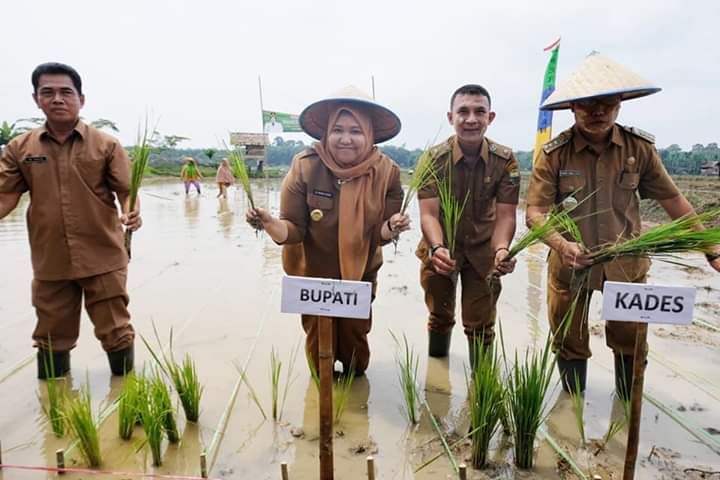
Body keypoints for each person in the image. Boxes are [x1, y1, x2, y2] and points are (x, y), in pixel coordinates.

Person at [526, 52, 720, 398]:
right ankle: (573, 414)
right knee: (569, 340)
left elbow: (673, 201)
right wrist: (562, 246)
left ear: (621, 102)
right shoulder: (555, 154)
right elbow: (535, 212)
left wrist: (709, 246)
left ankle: (626, 411)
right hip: (571, 266)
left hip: (626, 266)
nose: (598, 111)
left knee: (630, 341)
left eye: (607, 102)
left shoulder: (639, 148)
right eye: (587, 104)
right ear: (573, 107)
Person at [246, 86, 410, 376]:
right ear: (326, 133)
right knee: (319, 358)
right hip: (312, 276)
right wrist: (270, 223)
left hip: (359, 275)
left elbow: (378, 236)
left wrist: (391, 227)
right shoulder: (305, 166)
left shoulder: (387, 172)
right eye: (338, 130)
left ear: (370, 134)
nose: (346, 139)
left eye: (356, 131)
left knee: (356, 356)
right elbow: (293, 228)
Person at [0, 62, 142, 378]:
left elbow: (126, 191)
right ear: (36, 99)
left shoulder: (106, 145)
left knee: (116, 329)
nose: (58, 99)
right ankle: (54, 403)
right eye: (47, 92)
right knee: (50, 336)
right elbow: (5, 196)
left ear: (81, 99)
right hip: (51, 260)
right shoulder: (20, 148)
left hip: (102, 255)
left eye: (66, 92)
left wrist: (131, 213)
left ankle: (125, 392)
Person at [417, 84, 520, 364]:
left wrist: (501, 250)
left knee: (481, 325)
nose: (471, 119)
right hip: (442, 248)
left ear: (491, 117)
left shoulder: (506, 160)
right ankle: (437, 383)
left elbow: (507, 215)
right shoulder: (433, 159)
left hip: (483, 250)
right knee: (439, 316)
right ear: (451, 117)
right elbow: (427, 213)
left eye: (479, 112)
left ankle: (481, 388)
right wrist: (437, 247)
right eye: (463, 111)